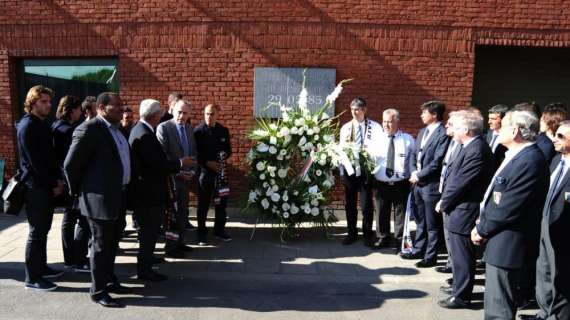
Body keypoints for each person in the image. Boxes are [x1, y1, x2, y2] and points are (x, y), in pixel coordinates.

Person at [472, 110, 549, 320]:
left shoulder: (529, 160)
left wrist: (482, 228)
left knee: (499, 309)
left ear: (515, 131)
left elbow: (509, 206)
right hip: (501, 239)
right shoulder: (519, 156)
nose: (497, 130)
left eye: (504, 126)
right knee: (495, 303)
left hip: (509, 243)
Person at [64, 92, 131, 308]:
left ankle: (109, 280)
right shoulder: (88, 129)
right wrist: (81, 193)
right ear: (102, 108)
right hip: (98, 200)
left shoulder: (117, 130)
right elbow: (70, 166)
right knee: (101, 246)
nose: (122, 109)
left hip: (119, 195)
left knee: (112, 244)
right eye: (117, 106)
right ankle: (98, 290)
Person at [129, 99, 195, 279]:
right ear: (156, 115)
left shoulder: (143, 130)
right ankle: (145, 270)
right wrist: (181, 164)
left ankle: (148, 260)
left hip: (152, 191)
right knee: (148, 231)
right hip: (148, 193)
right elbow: (157, 164)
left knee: (150, 231)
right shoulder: (144, 134)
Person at [436, 110, 493, 309]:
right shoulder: (467, 146)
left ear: (466, 130)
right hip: (458, 208)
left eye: (456, 126)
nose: (451, 129)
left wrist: (444, 201)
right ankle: (458, 288)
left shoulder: (476, 149)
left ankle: (462, 296)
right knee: (458, 254)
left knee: (463, 255)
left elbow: (461, 182)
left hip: (465, 210)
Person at [17, 85, 65, 291]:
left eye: (49, 101)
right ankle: (32, 277)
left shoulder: (41, 124)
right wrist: (53, 183)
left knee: (43, 230)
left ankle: (42, 267)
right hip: (35, 187)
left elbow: (50, 158)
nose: (48, 105)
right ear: (32, 103)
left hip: (44, 186)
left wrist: (58, 180)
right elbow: (36, 162)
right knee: (36, 232)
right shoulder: (28, 125)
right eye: (43, 102)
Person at [402, 101, 450, 268]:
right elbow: (414, 154)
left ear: (434, 115)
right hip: (418, 184)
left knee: (432, 224)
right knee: (421, 221)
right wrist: (414, 172)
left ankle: (431, 256)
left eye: (424, 112)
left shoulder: (443, 134)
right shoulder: (422, 131)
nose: (421, 115)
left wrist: (420, 175)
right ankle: (418, 249)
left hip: (431, 185)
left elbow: (437, 161)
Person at [531, 120, 570, 320]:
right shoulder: (556, 161)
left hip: (564, 230)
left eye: (561, 136)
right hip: (545, 222)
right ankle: (544, 311)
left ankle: (558, 315)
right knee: (543, 270)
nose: (555, 139)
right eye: (556, 134)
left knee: (561, 277)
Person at [51, 95, 90, 273]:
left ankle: (69, 258)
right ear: (72, 110)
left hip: (63, 180)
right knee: (82, 220)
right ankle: (80, 260)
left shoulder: (55, 126)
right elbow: (72, 160)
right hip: (72, 182)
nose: (80, 114)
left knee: (68, 220)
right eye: (79, 111)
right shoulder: (68, 131)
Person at [339, 97, 383, 246]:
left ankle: (367, 234)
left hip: (366, 170)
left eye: (357, 109)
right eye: (352, 109)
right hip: (350, 170)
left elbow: (380, 147)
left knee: (366, 204)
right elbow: (341, 150)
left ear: (364, 110)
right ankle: (351, 233)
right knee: (350, 203)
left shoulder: (375, 127)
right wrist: (341, 171)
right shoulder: (345, 128)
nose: (354, 112)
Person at [157, 99, 198, 256]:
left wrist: (192, 171)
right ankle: (170, 247)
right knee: (171, 215)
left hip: (186, 179)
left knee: (182, 213)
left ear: (189, 114)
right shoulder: (164, 128)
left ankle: (180, 242)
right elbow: (163, 155)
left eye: (185, 113)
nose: (181, 116)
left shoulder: (189, 129)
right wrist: (177, 172)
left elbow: (194, 152)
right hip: (171, 179)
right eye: (179, 112)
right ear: (172, 110)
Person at [371, 108, 414, 249]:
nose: (386, 125)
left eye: (389, 122)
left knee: (400, 214)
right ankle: (382, 237)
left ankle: (399, 239)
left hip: (400, 183)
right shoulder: (375, 139)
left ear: (397, 121)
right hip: (381, 183)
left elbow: (412, 162)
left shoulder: (407, 140)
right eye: (384, 121)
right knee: (381, 211)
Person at [194, 103, 232, 246]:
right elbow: (196, 153)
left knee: (221, 203)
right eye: (207, 114)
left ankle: (219, 230)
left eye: (212, 114)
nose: (209, 117)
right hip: (205, 173)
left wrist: (224, 155)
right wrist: (208, 163)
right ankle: (201, 234)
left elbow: (228, 149)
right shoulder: (198, 131)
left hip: (221, 174)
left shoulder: (223, 130)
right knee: (203, 205)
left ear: (217, 114)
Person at [436, 111, 460, 275]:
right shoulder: (452, 142)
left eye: (450, 124)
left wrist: (446, 197)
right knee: (448, 234)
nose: (446, 125)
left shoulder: (465, 147)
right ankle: (451, 264)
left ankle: (455, 269)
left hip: (455, 200)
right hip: (445, 191)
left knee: (455, 240)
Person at [487, 104, 509, 171]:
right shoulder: (487, 134)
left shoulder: (509, 138)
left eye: (493, 119)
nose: (489, 122)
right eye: (489, 118)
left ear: (503, 119)